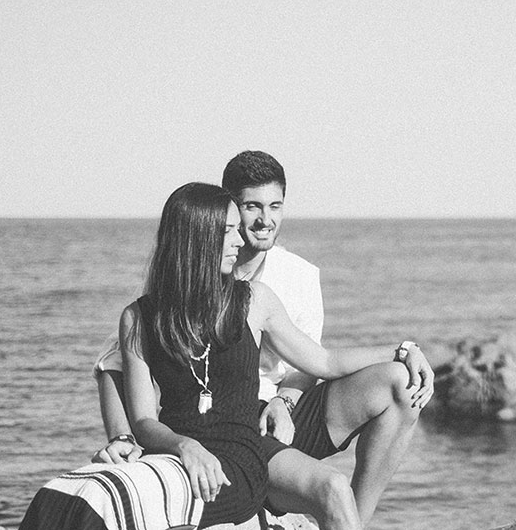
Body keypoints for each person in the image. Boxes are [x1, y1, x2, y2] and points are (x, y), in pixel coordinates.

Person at [94, 152, 432, 526]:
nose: (263, 221)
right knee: (324, 486)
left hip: (279, 417)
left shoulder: (290, 280)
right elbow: (113, 367)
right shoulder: (154, 306)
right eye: (250, 208)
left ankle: (354, 520)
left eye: (275, 206)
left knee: (400, 384)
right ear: (221, 214)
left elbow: (318, 362)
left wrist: (404, 350)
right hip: (208, 430)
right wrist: (123, 438)